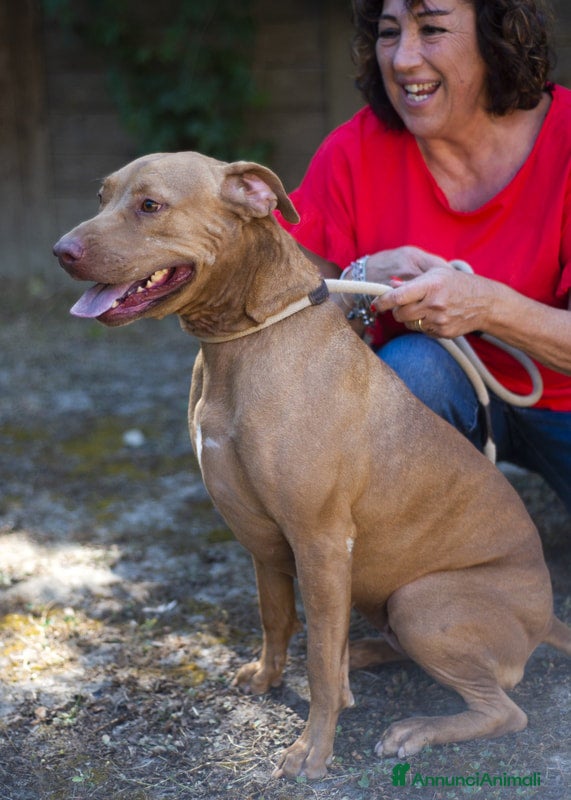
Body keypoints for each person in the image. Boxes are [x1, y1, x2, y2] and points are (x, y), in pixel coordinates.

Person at [277, 0, 571, 514]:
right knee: (414, 366)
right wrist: (361, 281)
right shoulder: (352, 152)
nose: (403, 58)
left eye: (431, 28)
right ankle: (420, 565)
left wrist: (488, 307)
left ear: (495, 37)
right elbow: (286, 337)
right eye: (389, 33)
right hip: (438, 394)